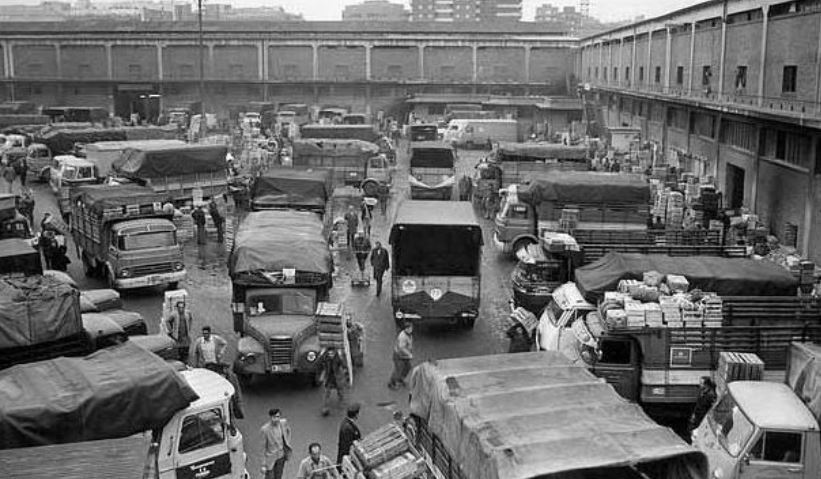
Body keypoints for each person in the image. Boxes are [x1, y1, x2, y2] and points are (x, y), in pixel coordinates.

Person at [261, 408, 292, 479]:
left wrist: (287, 442)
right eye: (274, 417)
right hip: (270, 457)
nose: (276, 419)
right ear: (270, 417)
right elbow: (262, 448)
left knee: (278, 476)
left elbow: (288, 431)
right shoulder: (265, 429)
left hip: (281, 456)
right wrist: (263, 464)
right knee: (270, 477)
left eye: (278, 417)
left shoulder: (283, 423)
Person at [319, 348, 347, 416]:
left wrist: (341, 357)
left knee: (340, 392)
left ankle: (342, 404)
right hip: (329, 378)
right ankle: (325, 408)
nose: (330, 355)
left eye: (332, 354)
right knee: (326, 393)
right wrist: (321, 354)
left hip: (337, 377)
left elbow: (344, 365)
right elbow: (318, 362)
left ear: (335, 353)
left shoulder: (338, 358)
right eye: (329, 354)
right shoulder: (325, 358)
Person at [388, 321, 413, 390]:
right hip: (399, 356)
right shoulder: (403, 336)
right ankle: (392, 383)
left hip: (405, 356)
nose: (411, 330)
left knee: (407, 367)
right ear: (406, 329)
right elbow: (401, 348)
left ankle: (400, 379)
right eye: (410, 328)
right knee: (398, 369)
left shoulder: (409, 334)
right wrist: (409, 354)